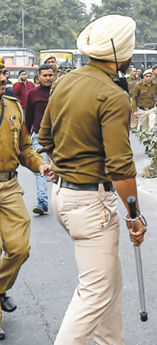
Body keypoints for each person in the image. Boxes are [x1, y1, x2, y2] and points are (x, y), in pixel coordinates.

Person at [38, 15, 147, 344]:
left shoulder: (65, 82)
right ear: (122, 54)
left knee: (109, 287)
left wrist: (71, 164)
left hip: (63, 196)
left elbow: (45, 139)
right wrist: (135, 217)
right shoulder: (113, 96)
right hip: (91, 204)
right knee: (95, 294)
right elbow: (121, 169)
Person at [0, 60, 50, 341]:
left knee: (20, 249)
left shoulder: (13, 107)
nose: (2, 78)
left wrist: (39, 164)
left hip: (9, 186)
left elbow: (24, 148)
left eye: (3, 74)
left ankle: (0, 287)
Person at [25, 64, 55, 216]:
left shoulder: (59, 92)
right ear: (39, 77)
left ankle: (63, 201)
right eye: (45, 75)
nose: (48, 78)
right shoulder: (33, 94)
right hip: (39, 137)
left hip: (59, 137)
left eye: (51, 75)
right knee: (41, 169)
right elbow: (29, 116)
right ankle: (42, 202)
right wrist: (25, 136)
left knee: (62, 169)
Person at [131, 69, 157, 135]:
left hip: (152, 109)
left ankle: (151, 142)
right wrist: (135, 111)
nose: (149, 78)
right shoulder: (139, 85)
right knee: (144, 130)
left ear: (152, 77)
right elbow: (134, 98)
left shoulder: (156, 85)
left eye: (150, 76)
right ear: (144, 77)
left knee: (152, 125)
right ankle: (148, 143)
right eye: (147, 76)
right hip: (142, 110)